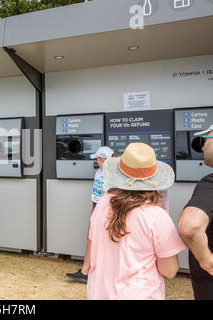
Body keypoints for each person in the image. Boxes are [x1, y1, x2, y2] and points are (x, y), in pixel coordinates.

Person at [87, 142, 185, 299]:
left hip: (99, 293)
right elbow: (170, 270)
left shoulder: (103, 203)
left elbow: (94, 242)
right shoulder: (155, 216)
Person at [66, 146, 116, 283]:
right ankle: (85, 271)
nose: (96, 161)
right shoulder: (99, 172)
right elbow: (95, 196)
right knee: (90, 238)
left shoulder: (114, 174)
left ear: (104, 159)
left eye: (98, 159)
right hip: (96, 208)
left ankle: (103, 273)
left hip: (107, 211)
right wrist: (93, 212)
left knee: (107, 241)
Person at [178, 124, 213, 300]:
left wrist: (206, 260)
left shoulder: (210, 184)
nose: (202, 146)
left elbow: (190, 226)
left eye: (206, 140)